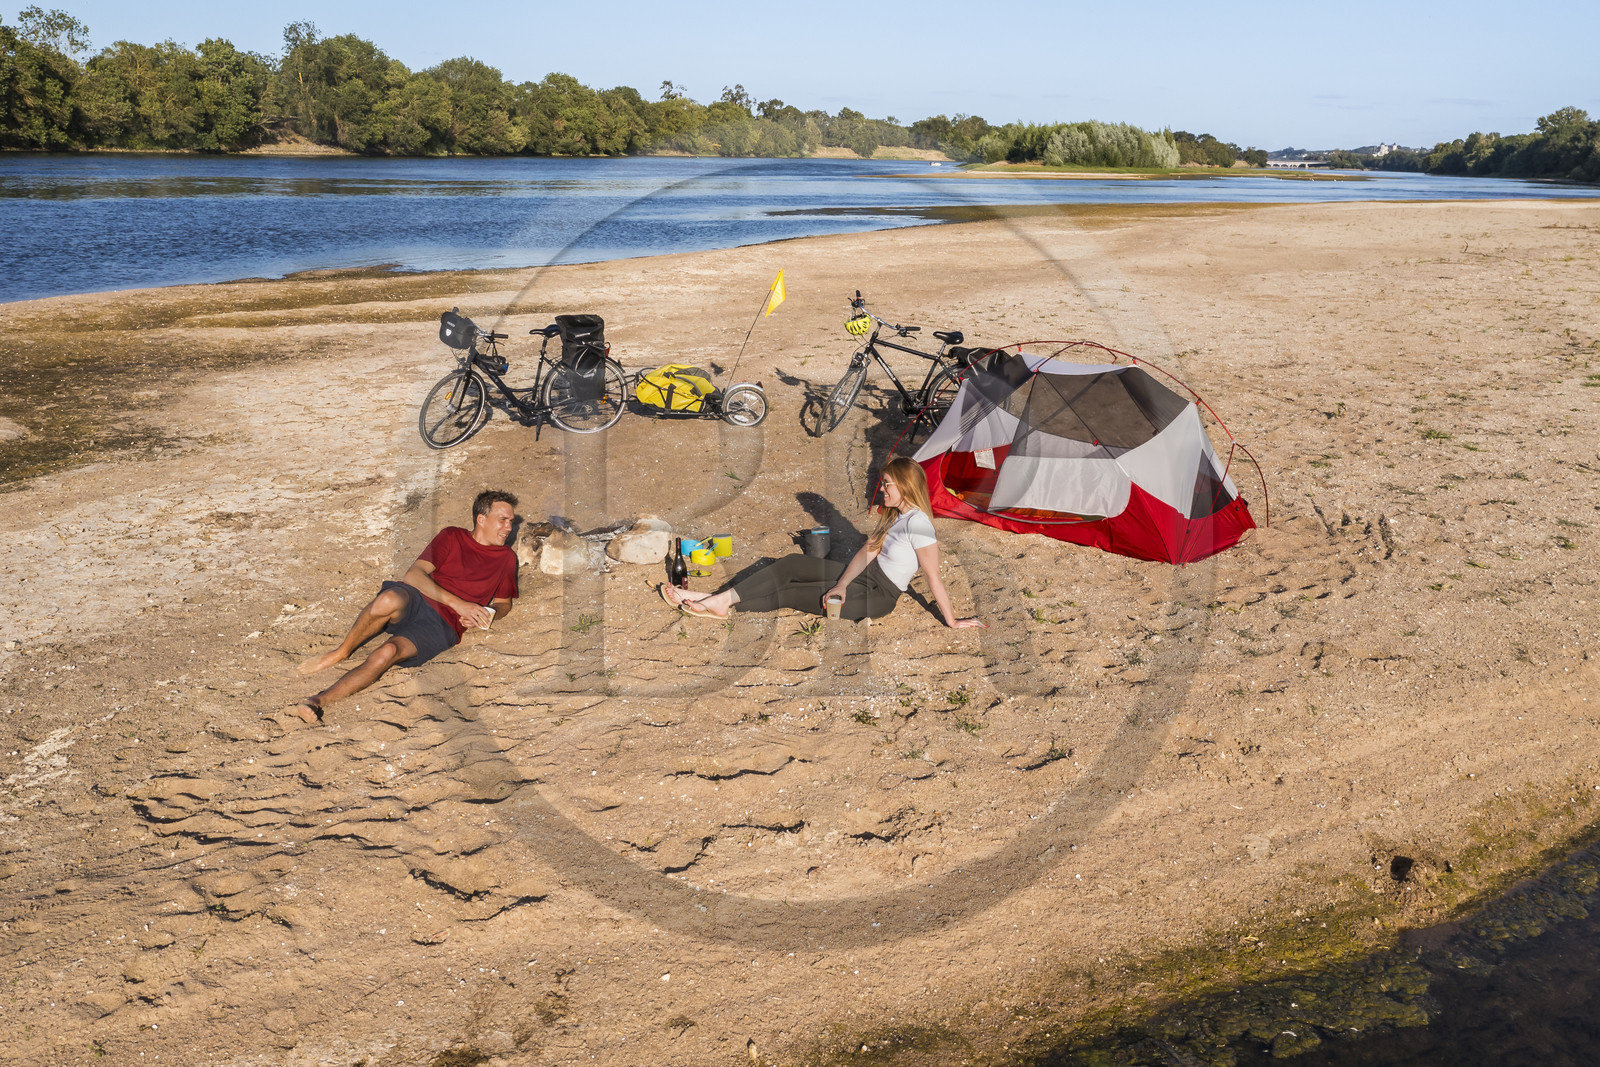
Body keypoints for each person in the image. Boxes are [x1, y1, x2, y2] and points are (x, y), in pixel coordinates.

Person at [283, 490, 520, 725]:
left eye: (511, 521)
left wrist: (486, 616)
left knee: (386, 653)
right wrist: (461, 604)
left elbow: (503, 604)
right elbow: (414, 575)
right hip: (418, 596)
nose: (509, 528)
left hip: (443, 623)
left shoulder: (506, 558)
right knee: (387, 600)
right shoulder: (452, 536)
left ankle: (315, 701)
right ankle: (341, 652)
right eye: (503, 520)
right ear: (481, 519)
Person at [662, 458, 983, 628]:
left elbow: (933, 577)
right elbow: (867, 553)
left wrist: (952, 621)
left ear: (905, 487)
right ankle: (713, 599)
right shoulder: (894, 517)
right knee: (789, 563)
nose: (881, 490)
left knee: (789, 593)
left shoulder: (920, 525)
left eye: (887, 485)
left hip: (879, 596)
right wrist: (843, 583)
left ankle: (716, 603)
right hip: (862, 578)